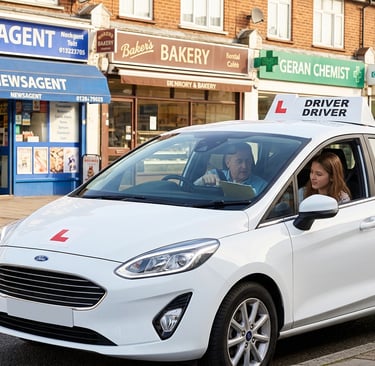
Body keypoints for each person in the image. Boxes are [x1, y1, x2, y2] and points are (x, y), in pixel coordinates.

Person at [195, 142, 267, 195]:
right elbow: (189, 190)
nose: (244, 166)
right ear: (228, 162)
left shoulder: (262, 186)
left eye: (248, 161)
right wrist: (202, 181)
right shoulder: (214, 175)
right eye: (239, 161)